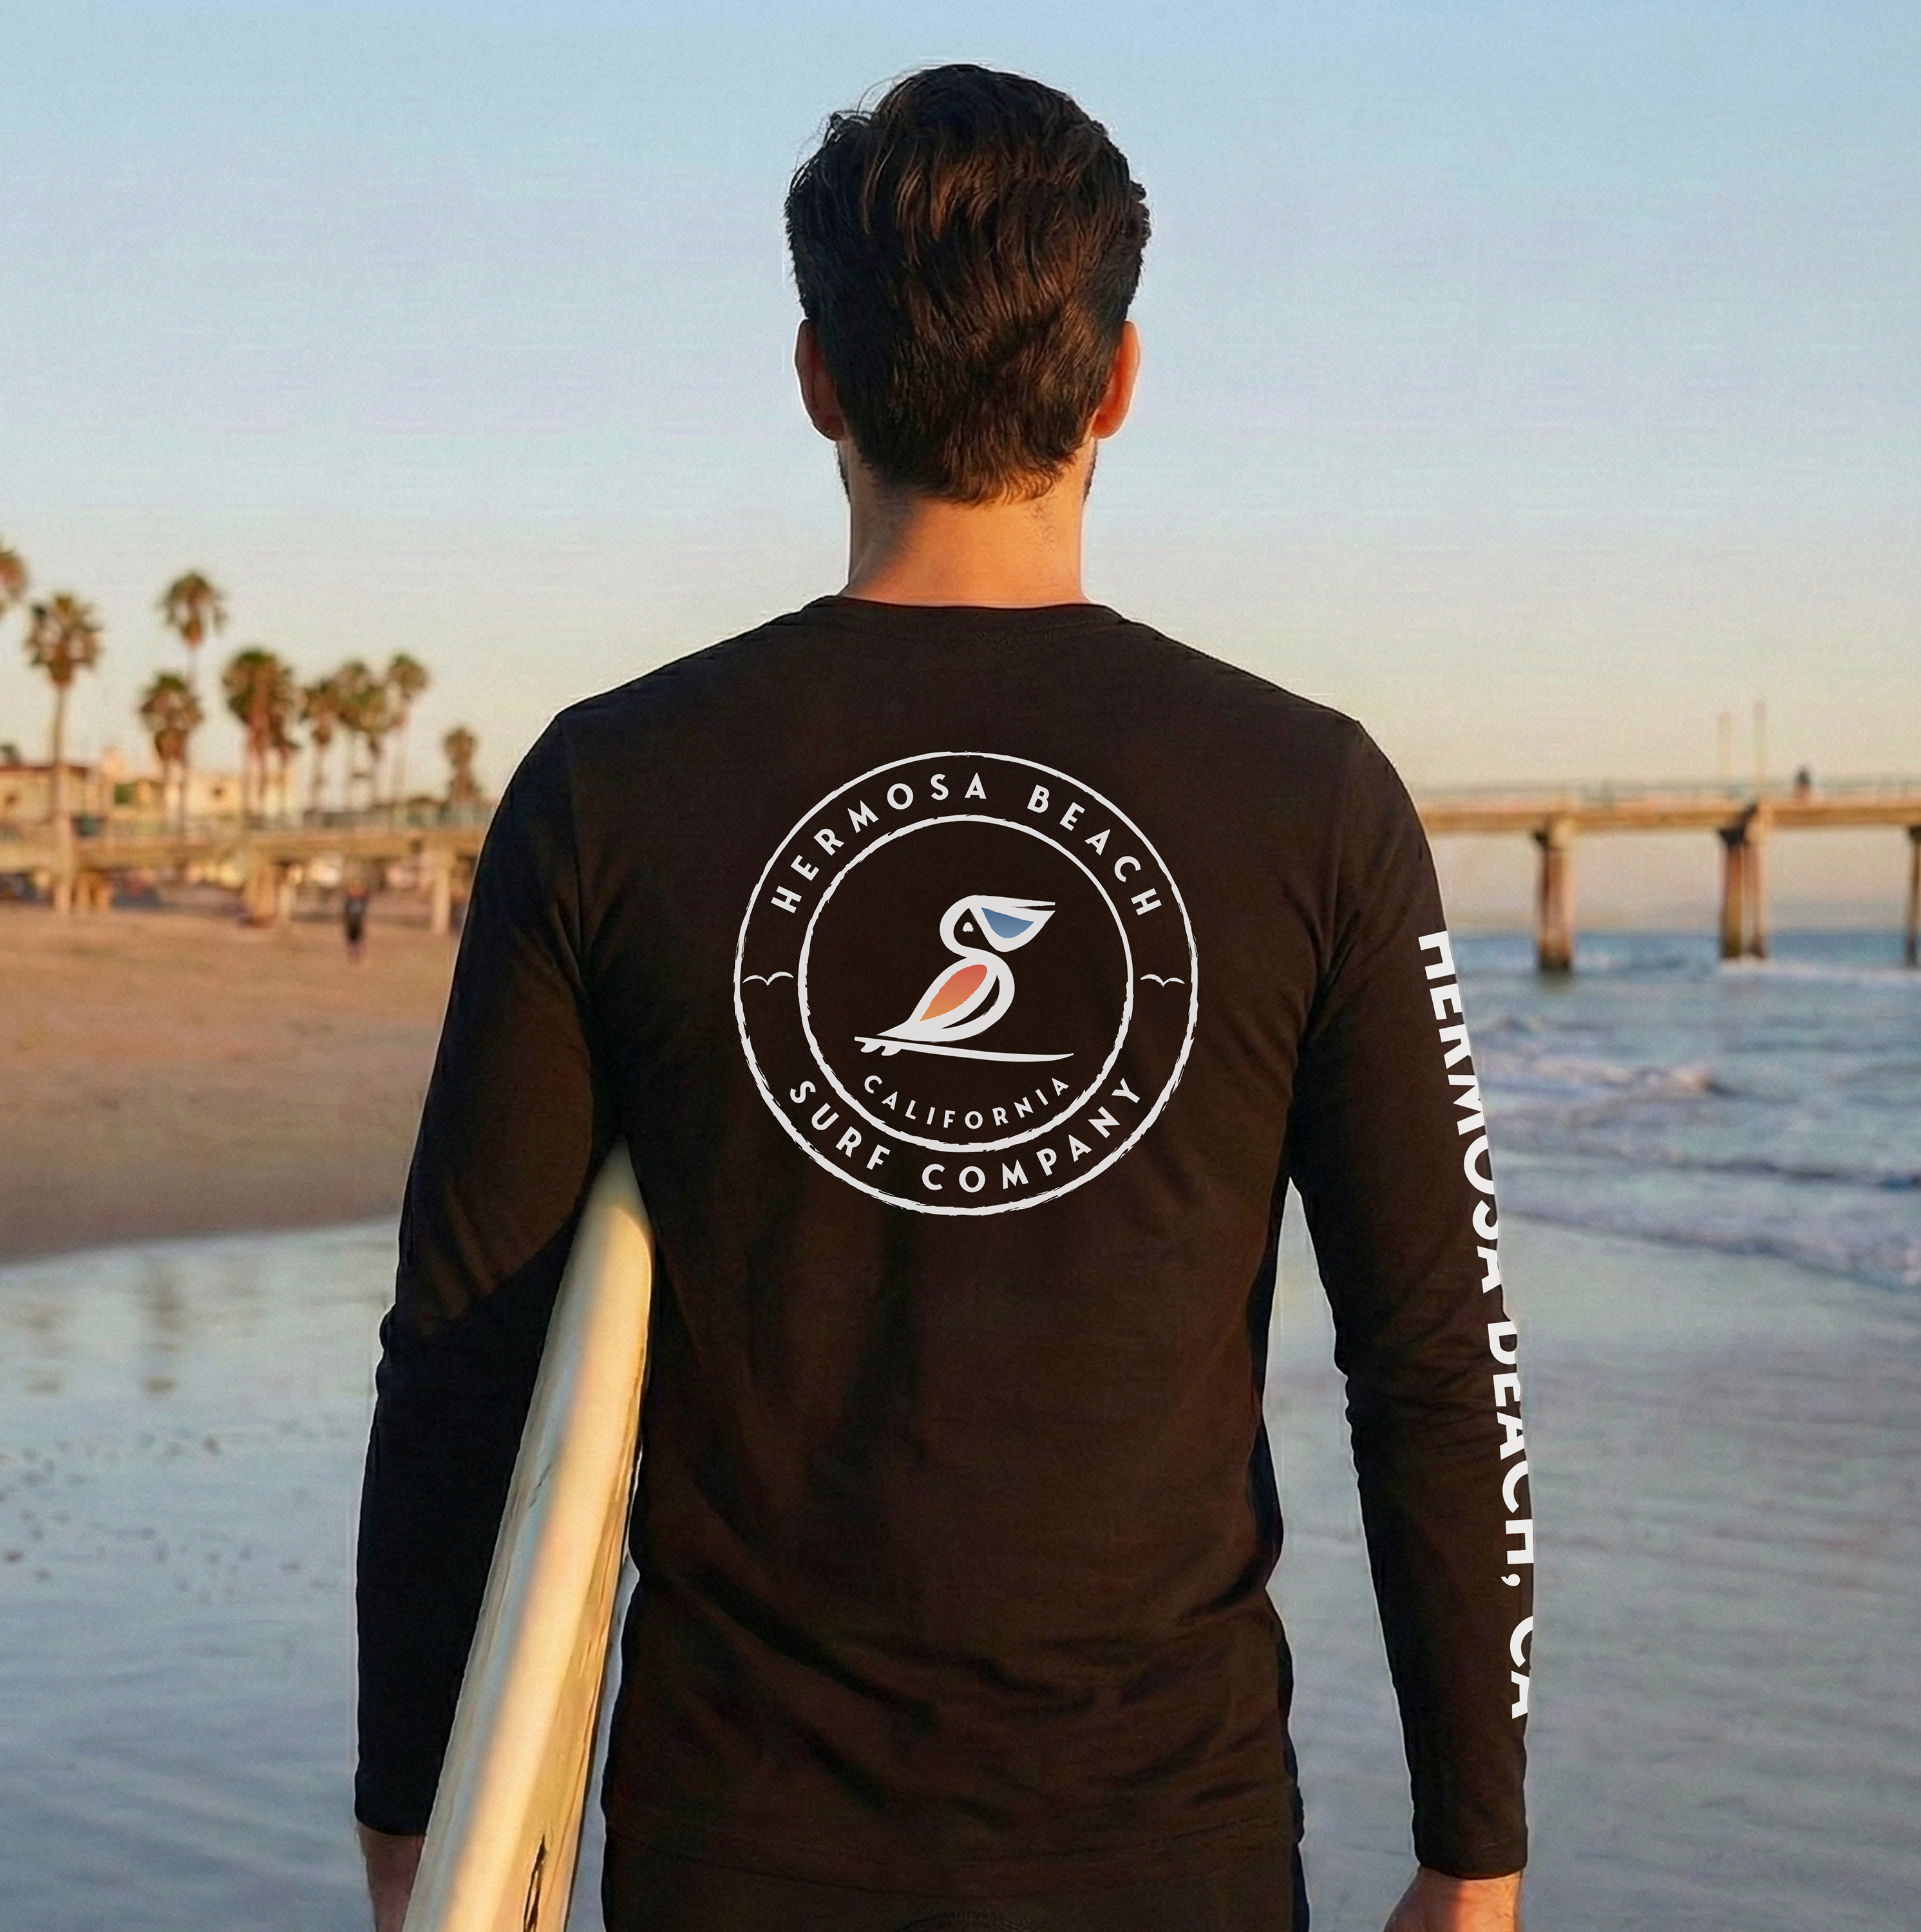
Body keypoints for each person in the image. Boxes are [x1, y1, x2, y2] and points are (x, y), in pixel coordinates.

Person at [355, 66, 1531, 1932]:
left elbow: (458, 1346)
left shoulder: (616, 786)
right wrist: (1476, 1843)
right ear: (1121, 381)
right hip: (1171, 1851)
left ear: (817, 378)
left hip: (736, 1847)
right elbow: (1433, 1354)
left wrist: (416, 1797)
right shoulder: (1311, 798)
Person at [343, 875, 370, 962]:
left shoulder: (362, 899)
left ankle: (357, 952)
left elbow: (366, 896)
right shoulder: (350, 899)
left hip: (358, 919)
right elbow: (346, 909)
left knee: (358, 936)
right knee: (351, 936)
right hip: (351, 919)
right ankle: (352, 952)